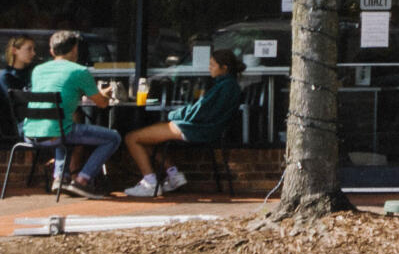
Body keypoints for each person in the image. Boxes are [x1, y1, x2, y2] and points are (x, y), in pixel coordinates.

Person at [122, 48, 245, 197]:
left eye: (212, 65)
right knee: (147, 138)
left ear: (224, 68)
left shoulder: (224, 87)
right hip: (210, 129)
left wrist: (173, 114)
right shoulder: (231, 86)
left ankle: (150, 183)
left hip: (197, 129)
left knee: (132, 138)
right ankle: (174, 175)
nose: (209, 68)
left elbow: (199, 111)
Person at [25, 31, 121, 196]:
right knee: (113, 138)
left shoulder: (38, 71)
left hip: (30, 132)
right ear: (75, 49)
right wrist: (108, 91)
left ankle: (60, 178)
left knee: (64, 125)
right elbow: (102, 103)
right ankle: (82, 181)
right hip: (58, 133)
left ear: (52, 51)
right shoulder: (79, 71)